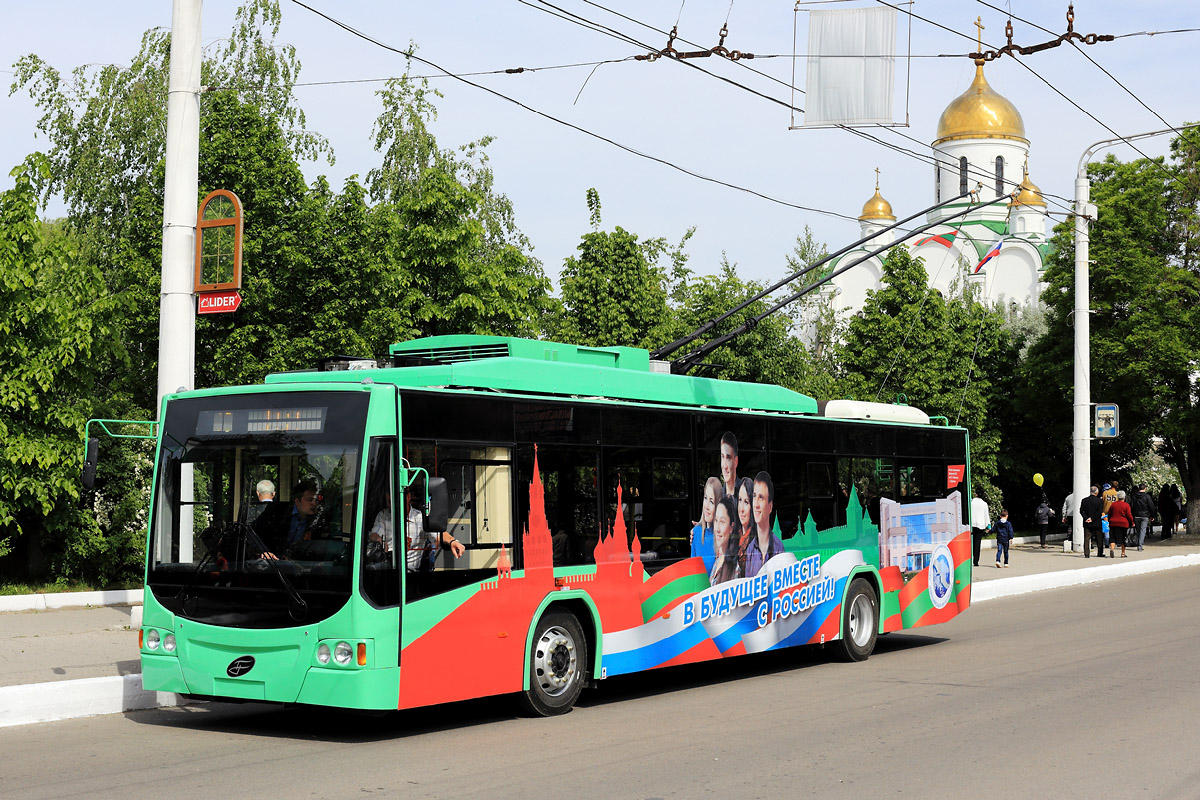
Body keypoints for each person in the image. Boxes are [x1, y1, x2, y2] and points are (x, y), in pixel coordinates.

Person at [252, 479, 321, 559]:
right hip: (270, 564)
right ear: (297, 501)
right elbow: (253, 532)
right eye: (309, 500)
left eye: (316, 500)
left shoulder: (316, 519)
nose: (314, 503)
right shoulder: (277, 511)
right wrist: (264, 551)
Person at [405, 489, 465, 572]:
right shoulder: (382, 516)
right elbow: (379, 538)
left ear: (408, 497)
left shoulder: (420, 519)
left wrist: (452, 541)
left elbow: (439, 535)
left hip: (409, 574)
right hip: (385, 571)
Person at [744, 472, 783, 578]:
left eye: (761, 498)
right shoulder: (750, 550)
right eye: (754, 496)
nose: (756, 504)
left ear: (770, 507)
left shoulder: (779, 548)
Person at [690, 477, 722, 574]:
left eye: (712, 502)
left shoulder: (723, 536)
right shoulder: (696, 533)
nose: (707, 506)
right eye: (705, 498)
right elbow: (693, 573)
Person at [709, 495, 741, 585]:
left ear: (731, 527)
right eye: (716, 521)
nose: (717, 529)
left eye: (722, 522)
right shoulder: (718, 561)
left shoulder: (735, 568)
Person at [734, 477, 755, 574]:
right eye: (740, 500)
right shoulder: (732, 533)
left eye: (746, 502)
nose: (741, 508)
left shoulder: (757, 539)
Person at [1079, 485, 1105, 558]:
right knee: (1099, 538)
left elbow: (1081, 511)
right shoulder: (1099, 501)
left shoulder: (1084, 500)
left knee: (1087, 539)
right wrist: (1092, 519)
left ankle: (1087, 553)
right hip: (1097, 523)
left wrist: (1086, 518)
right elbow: (1100, 512)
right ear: (1096, 493)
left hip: (1087, 523)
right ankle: (1100, 552)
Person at [1108, 490, 1133, 558]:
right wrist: (1132, 523)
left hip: (1113, 523)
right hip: (1123, 523)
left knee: (1112, 537)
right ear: (1124, 497)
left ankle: (1112, 549)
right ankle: (1122, 553)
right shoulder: (1126, 505)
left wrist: (1109, 520)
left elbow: (1109, 513)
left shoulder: (1113, 504)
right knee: (1123, 538)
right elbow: (1129, 515)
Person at [1131, 484, 1156, 551]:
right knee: (1143, 530)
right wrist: (1152, 515)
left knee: (1138, 530)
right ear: (1145, 488)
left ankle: (1139, 543)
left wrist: (1132, 515)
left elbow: (1132, 506)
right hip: (1145, 516)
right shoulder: (1147, 496)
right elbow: (1151, 506)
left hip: (1136, 515)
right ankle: (1140, 545)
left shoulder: (1134, 496)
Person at [970, 492, 991, 566]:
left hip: (972, 524)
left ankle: (970, 558)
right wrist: (988, 526)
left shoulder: (971, 502)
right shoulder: (984, 504)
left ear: (976, 494)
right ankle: (976, 561)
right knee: (977, 543)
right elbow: (986, 516)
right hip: (981, 525)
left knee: (971, 542)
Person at [719, 432, 739, 499]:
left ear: (735, 461)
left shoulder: (745, 493)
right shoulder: (718, 496)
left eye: (728, 458)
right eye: (722, 457)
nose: (725, 466)